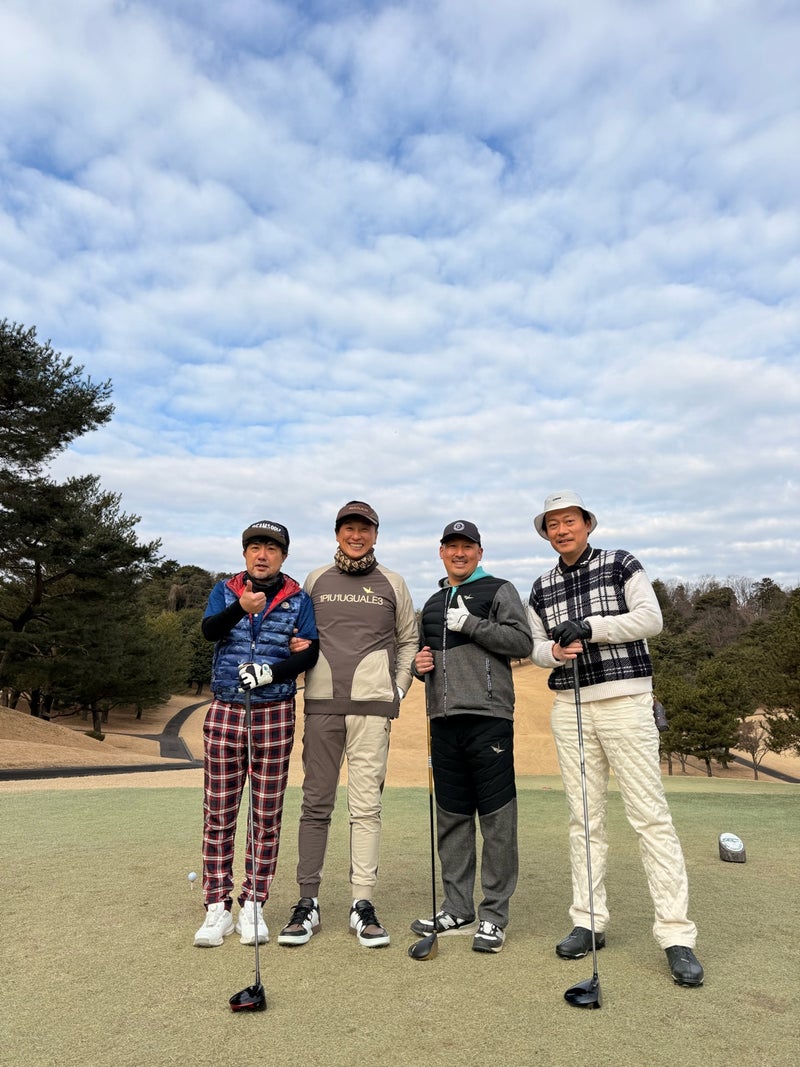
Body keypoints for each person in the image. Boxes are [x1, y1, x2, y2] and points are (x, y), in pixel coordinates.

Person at [526, 490, 704, 987]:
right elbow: (535, 647)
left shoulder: (620, 563)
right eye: (553, 524)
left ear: (587, 524)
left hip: (626, 701)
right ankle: (588, 921)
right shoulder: (540, 587)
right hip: (570, 707)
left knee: (650, 817)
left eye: (570, 520)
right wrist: (554, 653)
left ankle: (676, 934)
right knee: (584, 818)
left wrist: (591, 627)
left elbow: (651, 619)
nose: (562, 530)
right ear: (546, 533)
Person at [277, 501, 417, 949]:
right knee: (316, 804)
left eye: (364, 529)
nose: (356, 536)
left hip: (372, 710)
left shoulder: (393, 582)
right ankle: (308, 903)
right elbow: (297, 633)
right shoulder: (315, 579)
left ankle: (362, 903)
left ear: (375, 534)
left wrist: (398, 689)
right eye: (348, 528)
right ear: (337, 534)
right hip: (321, 705)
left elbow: (409, 639)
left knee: (366, 808)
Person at [193, 520, 319, 949]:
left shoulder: (297, 598)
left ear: (283, 556)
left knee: (265, 814)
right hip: (227, 708)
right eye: (255, 548)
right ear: (245, 553)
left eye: (271, 549)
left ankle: (253, 903)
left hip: (275, 711)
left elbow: (309, 653)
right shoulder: (225, 591)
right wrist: (240, 608)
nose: (262, 555)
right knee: (219, 811)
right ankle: (217, 906)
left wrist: (271, 672)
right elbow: (209, 631)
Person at [411, 520, 532, 954]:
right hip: (443, 720)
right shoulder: (431, 602)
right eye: (452, 546)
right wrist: (419, 666)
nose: (459, 553)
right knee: (452, 817)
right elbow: (422, 655)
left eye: (467, 546)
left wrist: (472, 625)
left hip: (489, 717)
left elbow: (521, 642)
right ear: (441, 552)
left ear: (480, 552)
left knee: (497, 818)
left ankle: (494, 914)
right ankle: (457, 907)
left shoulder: (499, 590)